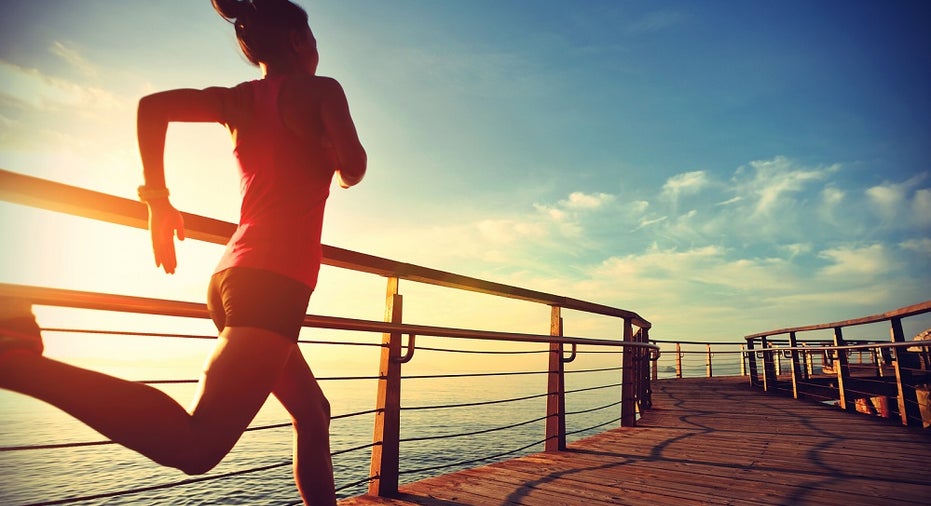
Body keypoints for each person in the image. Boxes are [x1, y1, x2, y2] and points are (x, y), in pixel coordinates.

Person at [0, 0, 366, 504]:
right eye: (315, 40)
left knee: (312, 412)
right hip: (273, 281)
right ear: (302, 42)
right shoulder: (324, 89)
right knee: (197, 447)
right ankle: (14, 358)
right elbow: (355, 166)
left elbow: (153, 107)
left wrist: (158, 200)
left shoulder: (236, 100)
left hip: (232, 275)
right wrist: (334, 156)